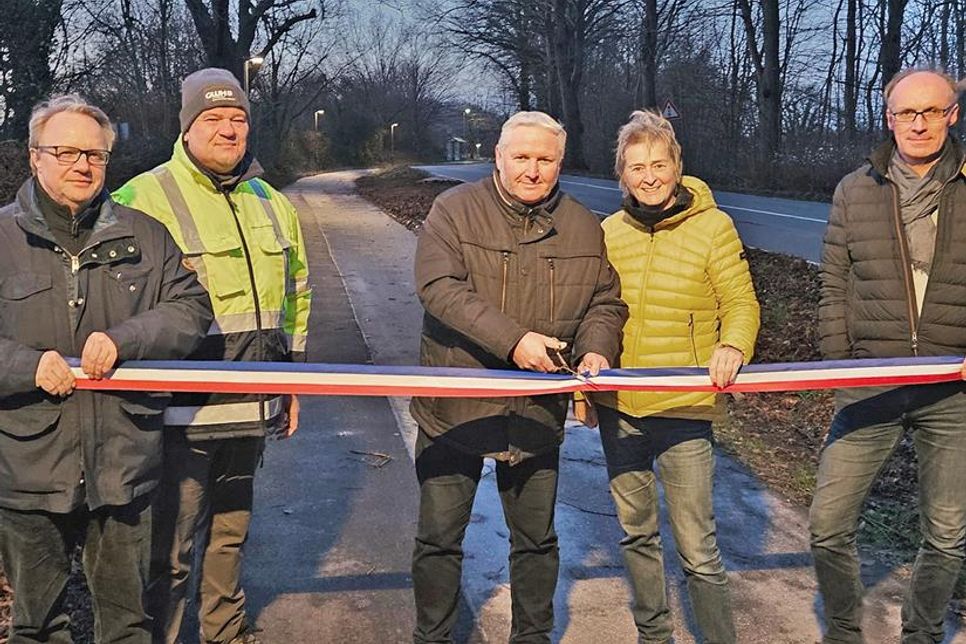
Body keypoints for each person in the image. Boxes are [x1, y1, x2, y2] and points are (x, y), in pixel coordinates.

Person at [0, 94, 212, 643]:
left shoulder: (146, 235)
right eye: (65, 151)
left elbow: (191, 310)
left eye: (94, 155)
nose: (82, 165)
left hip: (123, 461)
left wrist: (127, 339)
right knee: (37, 626)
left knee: (126, 625)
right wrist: (27, 366)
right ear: (34, 156)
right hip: (28, 463)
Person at [410, 110, 628, 643]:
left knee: (536, 541)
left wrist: (597, 351)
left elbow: (605, 301)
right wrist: (514, 341)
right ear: (499, 158)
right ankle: (431, 637)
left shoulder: (582, 224)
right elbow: (439, 288)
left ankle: (532, 636)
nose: (533, 170)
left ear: (560, 163)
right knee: (439, 539)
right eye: (523, 157)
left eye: (546, 159)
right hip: (456, 406)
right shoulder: (454, 211)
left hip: (534, 413)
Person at [114, 68, 312, 644]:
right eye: (214, 119)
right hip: (178, 412)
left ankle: (225, 632)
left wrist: (295, 378)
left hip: (251, 404)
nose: (229, 130)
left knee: (231, 533)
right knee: (168, 547)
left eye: (239, 119)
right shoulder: (141, 198)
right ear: (187, 127)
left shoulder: (273, 203)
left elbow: (298, 293)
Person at [589, 110, 759, 644]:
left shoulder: (713, 226)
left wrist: (733, 344)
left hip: (684, 408)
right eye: (636, 166)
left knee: (697, 548)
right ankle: (653, 635)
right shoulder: (609, 231)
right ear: (622, 174)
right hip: (621, 408)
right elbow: (593, 309)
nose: (649, 176)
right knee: (636, 536)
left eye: (658, 163)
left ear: (676, 165)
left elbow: (741, 303)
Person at [811, 67, 966, 643]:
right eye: (906, 113)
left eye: (931, 111)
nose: (918, 124)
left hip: (953, 387)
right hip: (870, 380)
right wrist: (836, 361)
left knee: (947, 534)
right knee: (827, 525)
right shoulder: (856, 189)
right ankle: (844, 633)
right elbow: (833, 281)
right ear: (889, 117)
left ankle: (921, 635)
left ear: (952, 114)